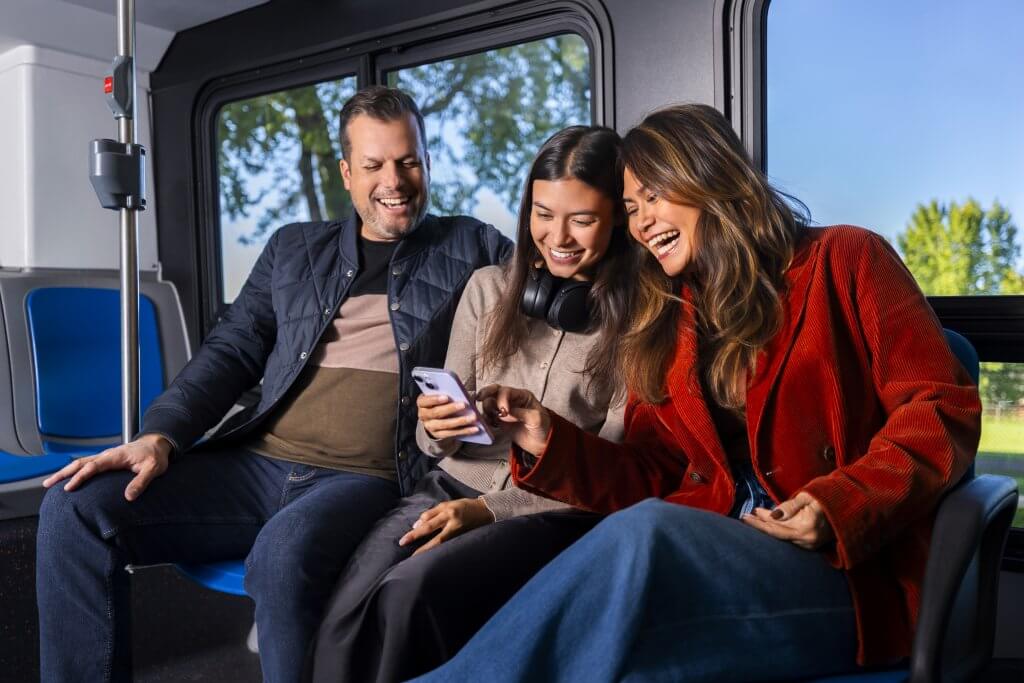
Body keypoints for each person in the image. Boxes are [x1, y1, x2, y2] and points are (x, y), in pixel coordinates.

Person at [409, 103, 982, 683]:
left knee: (643, 533)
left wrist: (841, 505)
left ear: (708, 175)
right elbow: (652, 473)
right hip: (716, 556)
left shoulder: (848, 258)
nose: (641, 224)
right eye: (631, 209)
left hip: (842, 571)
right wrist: (546, 438)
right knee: (618, 663)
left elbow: (942, 409)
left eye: (653, 197)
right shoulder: (665, 317)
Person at [34, 86, 511, 683]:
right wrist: (161, 435)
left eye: (408, 161)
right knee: (73, 508)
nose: (394, 180)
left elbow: (544, 303)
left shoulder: (473, 245)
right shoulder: (293, 248)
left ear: (427, 163)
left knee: (283, 556)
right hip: (255, 464)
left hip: (367, 477)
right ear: (347, 173)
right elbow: (232, 350)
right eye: (373, 165)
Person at [310, 126, 631, 683]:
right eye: (543, 214)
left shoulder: (641, 323)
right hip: (452, 484)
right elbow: (433, 442)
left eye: (581, 220)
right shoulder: (487, 288)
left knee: (408, 594)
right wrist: (439, 425)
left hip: (549, 509)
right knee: (347, 605)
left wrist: (490, 510)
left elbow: (614, 471)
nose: (558, 237)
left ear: (618, 219)